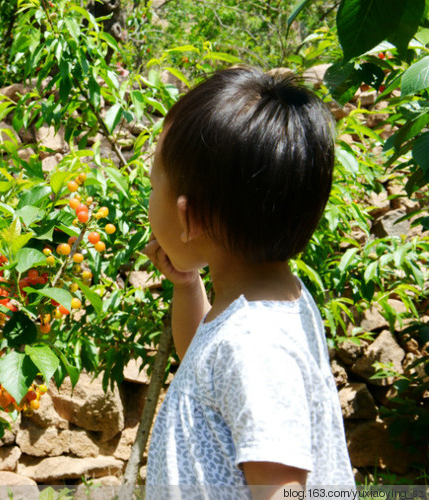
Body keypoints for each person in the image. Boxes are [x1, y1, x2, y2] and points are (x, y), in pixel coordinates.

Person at [144, 66, 355, 500]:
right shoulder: (269, 305)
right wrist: (187, 285)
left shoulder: (255, 343)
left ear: (190, 217)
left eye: (153, 183)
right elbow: (202, 366)